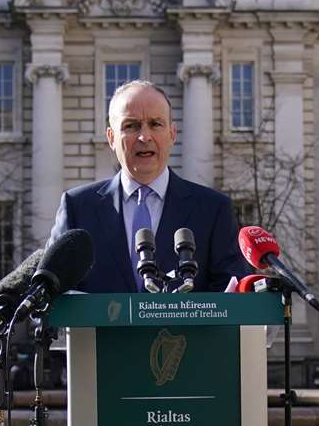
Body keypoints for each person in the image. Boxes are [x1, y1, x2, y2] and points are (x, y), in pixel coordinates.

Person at [49, 80, 250, 293]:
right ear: (111, 138)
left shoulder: (213, 209)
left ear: (172, 134)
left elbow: (233, 297)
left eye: (155, 124)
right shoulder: (78, 208)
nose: (145, 137)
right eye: (131, 126)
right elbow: (48, 296)